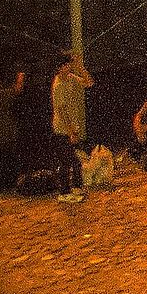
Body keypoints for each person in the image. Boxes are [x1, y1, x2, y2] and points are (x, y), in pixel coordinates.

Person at [50, 51, 92, 202]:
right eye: (65, 65)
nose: (68, 68)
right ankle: (64, 192)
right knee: (68, 161)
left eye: (69, 65)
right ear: (59, 68)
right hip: (62, 129)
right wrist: (70, 132)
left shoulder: (69, 78)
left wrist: (80, 66)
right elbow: (61, 111)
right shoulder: (58, 85)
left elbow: (89, 82)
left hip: (71, 128)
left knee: (71, 161)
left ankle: (76, 187)